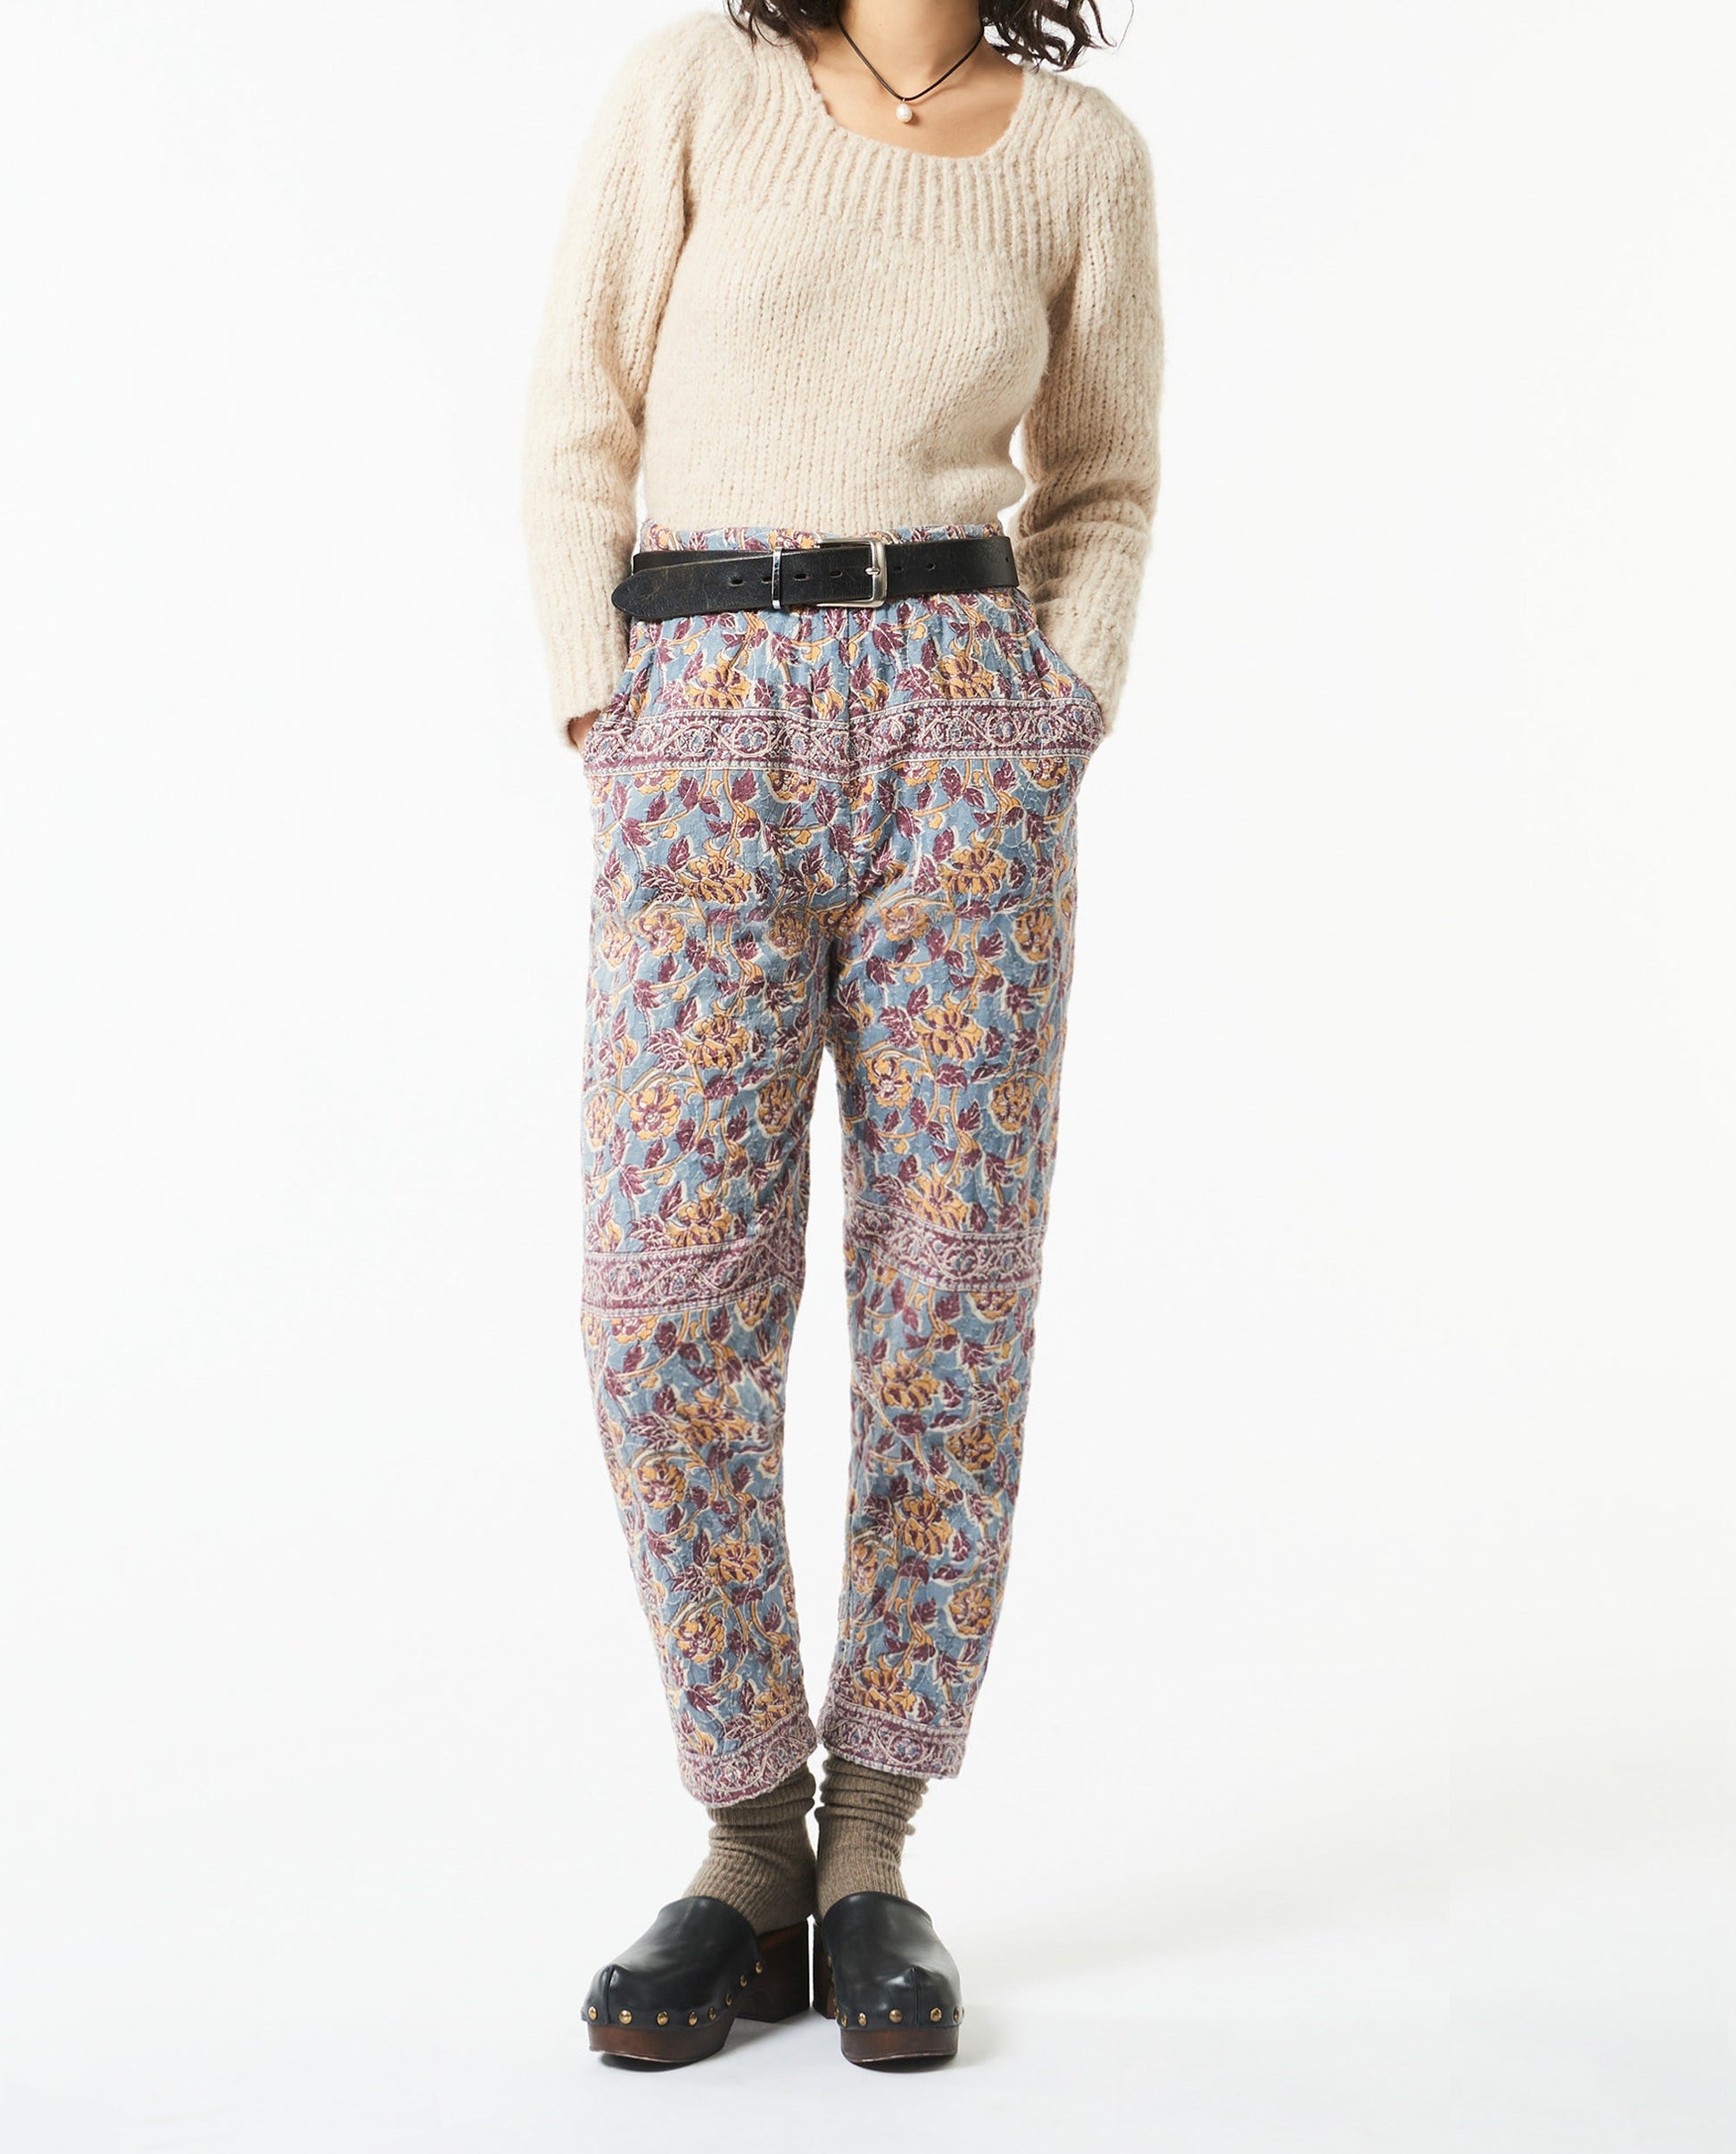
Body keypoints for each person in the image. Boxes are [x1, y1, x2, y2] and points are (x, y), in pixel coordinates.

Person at [522, 0, 1161, 2069]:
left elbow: (1104, 480)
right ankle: (745, 1840)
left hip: (966, 733)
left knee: (948, 1288)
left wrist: (1053, 705)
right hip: (703, 716)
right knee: (662, 1302)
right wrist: (606, 703)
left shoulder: (1078, 158)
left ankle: (871, 1845)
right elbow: (578, 409)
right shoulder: (693, 88)